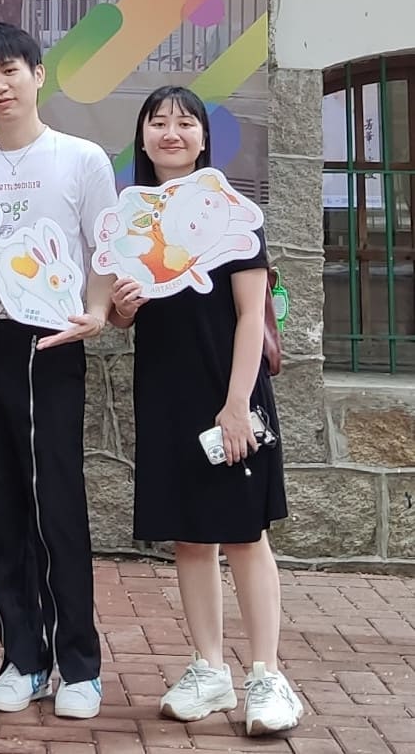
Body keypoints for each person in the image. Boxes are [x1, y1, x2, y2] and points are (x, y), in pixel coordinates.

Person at [0, 22, 116, 720]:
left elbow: (103, 248)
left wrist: (95, 314)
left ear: (37, 75)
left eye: (8, 70)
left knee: (56, 508)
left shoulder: (79, 159)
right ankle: (22, 655)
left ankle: (79, 664)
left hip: (51, 342)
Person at [108, 87, 300, 735]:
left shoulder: (232, 213)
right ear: (141, 140)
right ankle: (209, 669)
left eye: (183, 122)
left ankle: (267, 676)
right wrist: (123, 308)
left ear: (201, 139)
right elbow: (117, 316)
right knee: (188, 537)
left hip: (229, 393)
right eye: (157, 122)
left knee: (245, 536)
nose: (170, 131)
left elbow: (250, 317)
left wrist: (237, 405)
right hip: (165, 393)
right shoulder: (128, 221)